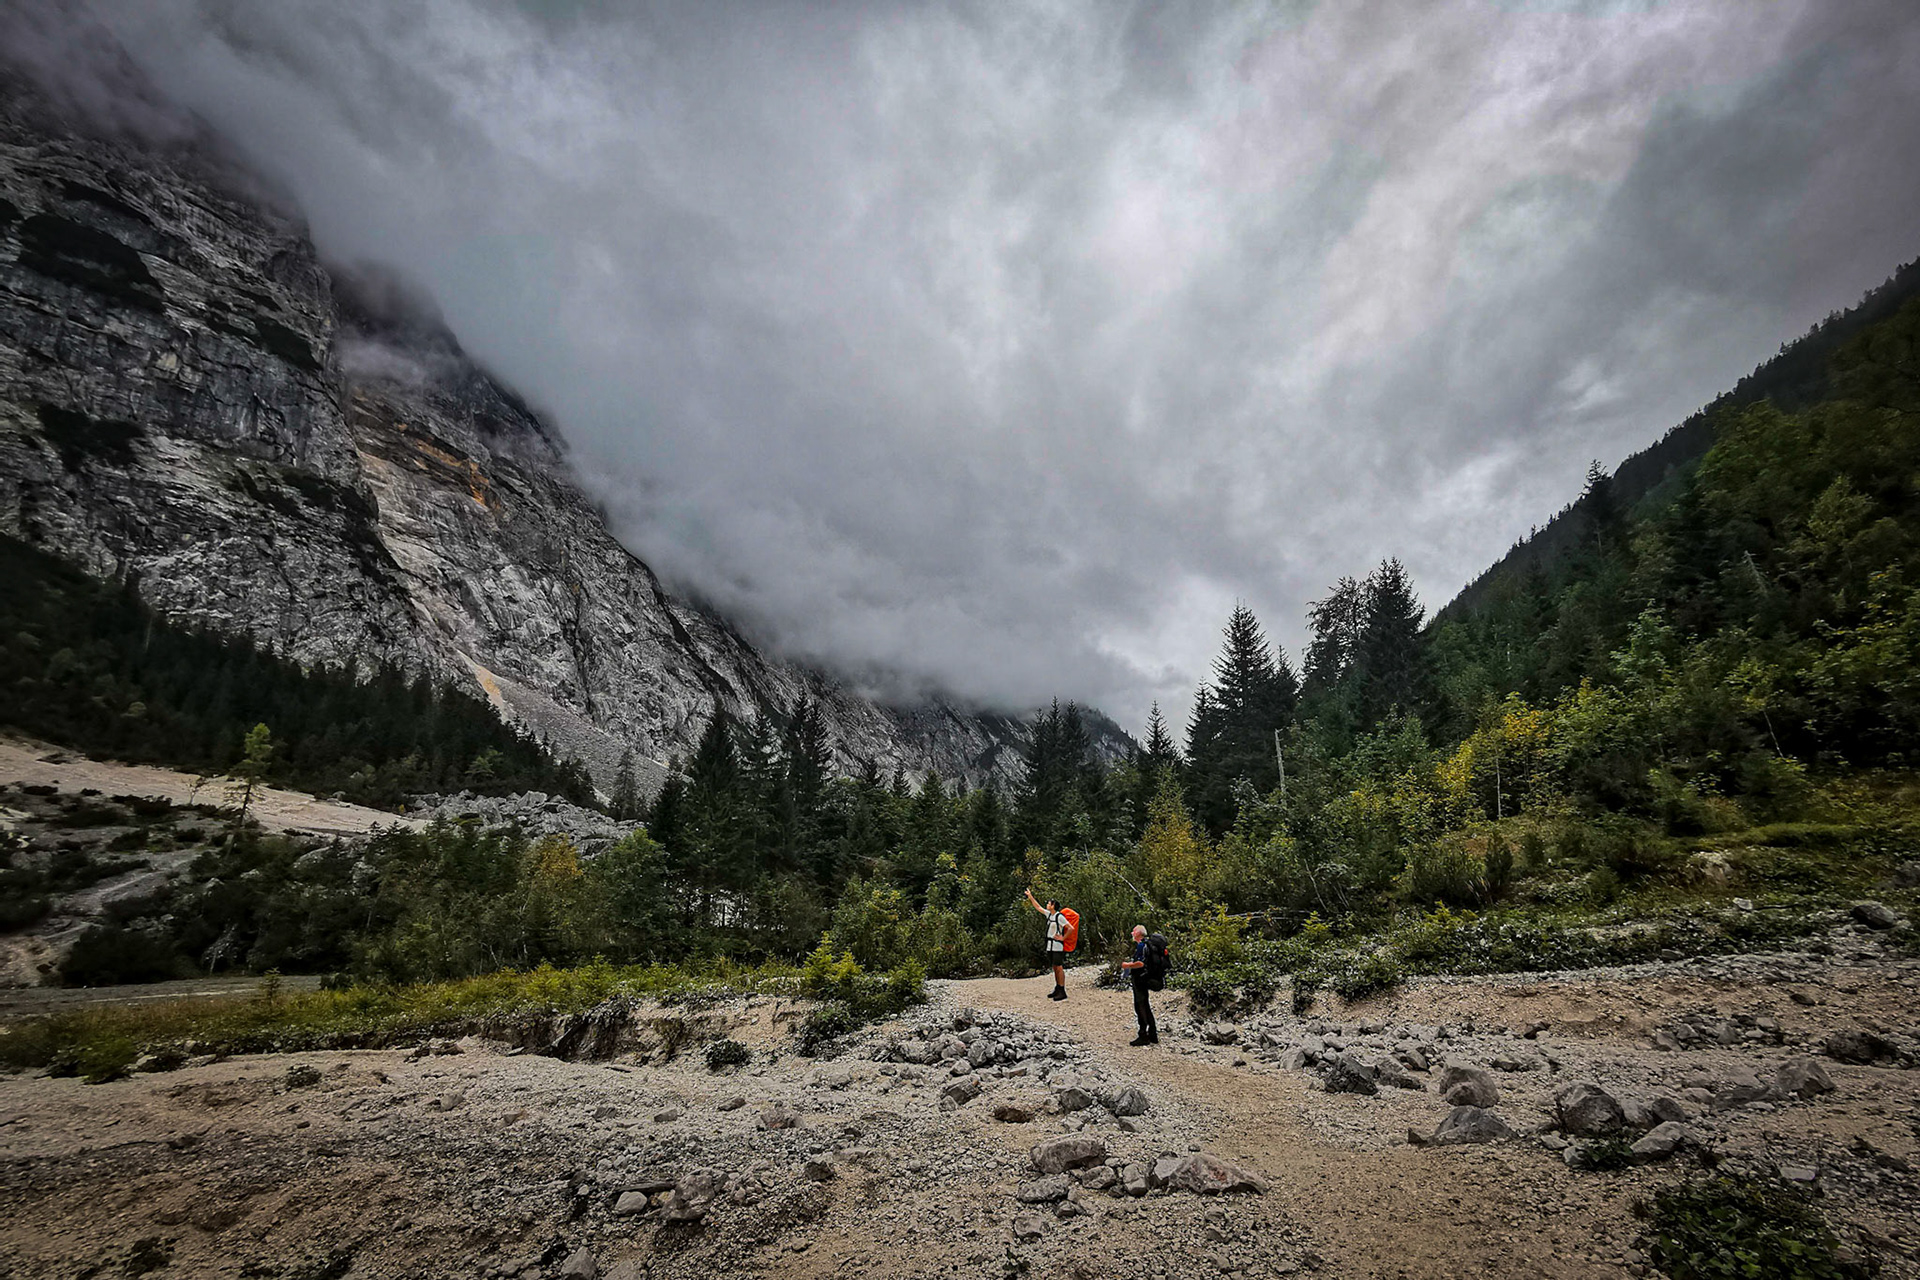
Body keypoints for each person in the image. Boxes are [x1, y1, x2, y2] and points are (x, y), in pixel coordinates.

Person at [1024, 887, 1069, 1000]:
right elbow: (1038, 907)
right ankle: (1058, 987)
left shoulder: (1059, 917)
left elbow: (1070, 928)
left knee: (1059, 967)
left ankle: (1062, 990)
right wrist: (1030, 897)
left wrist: (1063, 938)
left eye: (1049, 903)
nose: (1047, 905)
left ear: (1053, 906)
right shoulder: (1050, 915)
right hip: (1050, 945)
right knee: (1054, 967)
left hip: (1058, 946)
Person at [1119, 924, 1159, 1046]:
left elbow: (1141, 964)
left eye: (1134, 931)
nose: (1132, 933)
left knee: (1140, 1005)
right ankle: (1153, 1034)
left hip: (1140, 979)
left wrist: (1127, 966)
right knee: (1145, 1005)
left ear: (1139, 933)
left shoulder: (1142, 945)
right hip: (1145, 978)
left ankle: (1143, 1035)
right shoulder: (1146, 945)